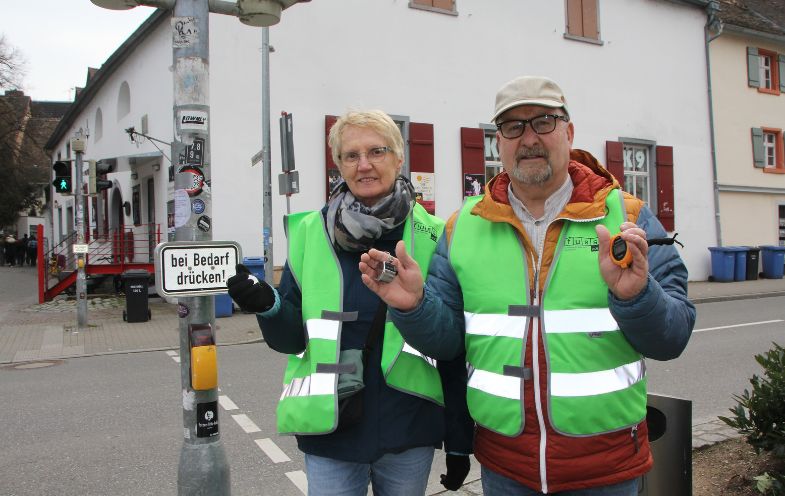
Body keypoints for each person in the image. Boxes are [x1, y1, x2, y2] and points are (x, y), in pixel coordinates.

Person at [358, 76, 696, 495]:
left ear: (568, 132)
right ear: (498, 142)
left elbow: (673, 337)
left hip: (606, 469)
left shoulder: (627, 216)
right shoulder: (464, 226)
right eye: (513, 127)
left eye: (543, 122)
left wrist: (637, 297)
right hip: (506, 470)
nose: (529, 138)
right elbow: (447, 343)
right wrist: (414, 306)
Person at [227, 109, 473, 495]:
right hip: (332, 430)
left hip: (409, 426)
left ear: (399, 157)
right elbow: (293, 340)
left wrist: (459, 441)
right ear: (338, 165)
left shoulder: (435, 234)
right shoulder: (310, 233)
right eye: (351, 155)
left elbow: (452, 348)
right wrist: (268, 306)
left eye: (376, 151)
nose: (364, 165)